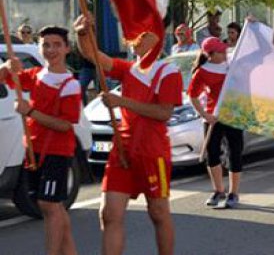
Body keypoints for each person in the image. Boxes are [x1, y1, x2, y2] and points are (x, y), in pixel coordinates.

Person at [74, 15, 182, 255]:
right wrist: (83, 33)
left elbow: (163, 112)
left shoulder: (168, 71)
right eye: (134, 33)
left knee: (158, 212)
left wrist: (122, 101)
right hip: (122, 151)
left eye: (143, 33)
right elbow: (94, 56)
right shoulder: (129, 69)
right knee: (109, 214)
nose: (136, 39)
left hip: (152, 151)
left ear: (157, 37)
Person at [0, 26, 80, 255]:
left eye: (56, 45)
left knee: (49, 204)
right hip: (34, 149)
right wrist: (6, 67)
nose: (51, 49)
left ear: (66, 48)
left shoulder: (70, 84)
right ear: (39, 47)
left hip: (56, 150)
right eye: (46, 45)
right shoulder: (35, 75)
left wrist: (31, 112)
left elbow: (65, 124)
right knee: (50, 206)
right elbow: (3, 78)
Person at [188, 37, 244, 209]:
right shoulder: (202, 71)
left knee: (235, 153)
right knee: (212, 153)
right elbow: (193, 95)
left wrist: (251, 24)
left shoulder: (232, 65)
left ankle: (234, 193)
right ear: (210, 54)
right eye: (220, 51)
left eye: (224, 50)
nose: (224, 53)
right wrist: (204, 114)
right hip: (214, 116)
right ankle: (218, 190)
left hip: (234, 115)